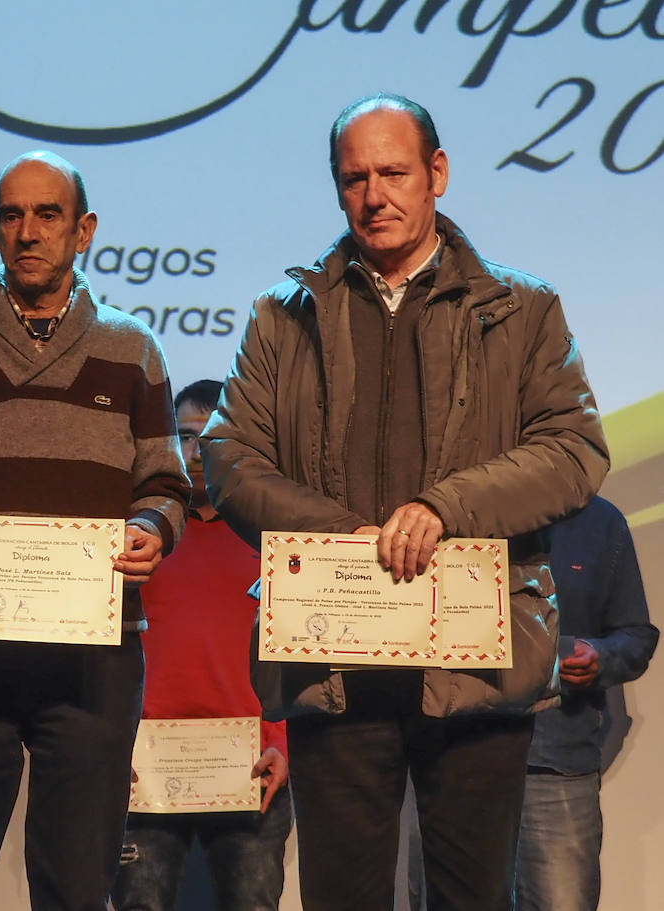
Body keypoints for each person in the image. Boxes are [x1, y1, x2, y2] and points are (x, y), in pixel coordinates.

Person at [202, 93, 609, 911]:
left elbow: (575, 449)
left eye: (393, 172)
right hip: (333, 661)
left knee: (470, 897)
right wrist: (344, 537)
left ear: (437, 175)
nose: (374, 194)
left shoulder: (522, 310)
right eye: (354, 178)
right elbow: (228, 457)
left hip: (474, 661)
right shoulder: (283, 316)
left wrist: (444, 506)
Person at [0, 150, 190, 911]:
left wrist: (151, 528)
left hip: (90, 654)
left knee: (78, 887)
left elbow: (164, 485)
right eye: (11, 215)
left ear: (82, 230)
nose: (28, 231)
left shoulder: (133, 347)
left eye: (47, 215)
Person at [113, 379, 291, 911]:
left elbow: (300, 650)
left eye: (212, 438)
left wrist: (284, 744)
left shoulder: (278, 539)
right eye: (185, 437)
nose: (197, 452)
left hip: (253, 763)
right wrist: (112, 745)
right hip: (143, 765)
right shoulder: (136, 540)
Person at [514, 495, 657, 911]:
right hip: (456, 762)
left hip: (556, 763)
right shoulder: (457, 510)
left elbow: (636, 634)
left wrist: (601, 657)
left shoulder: (601, 522)